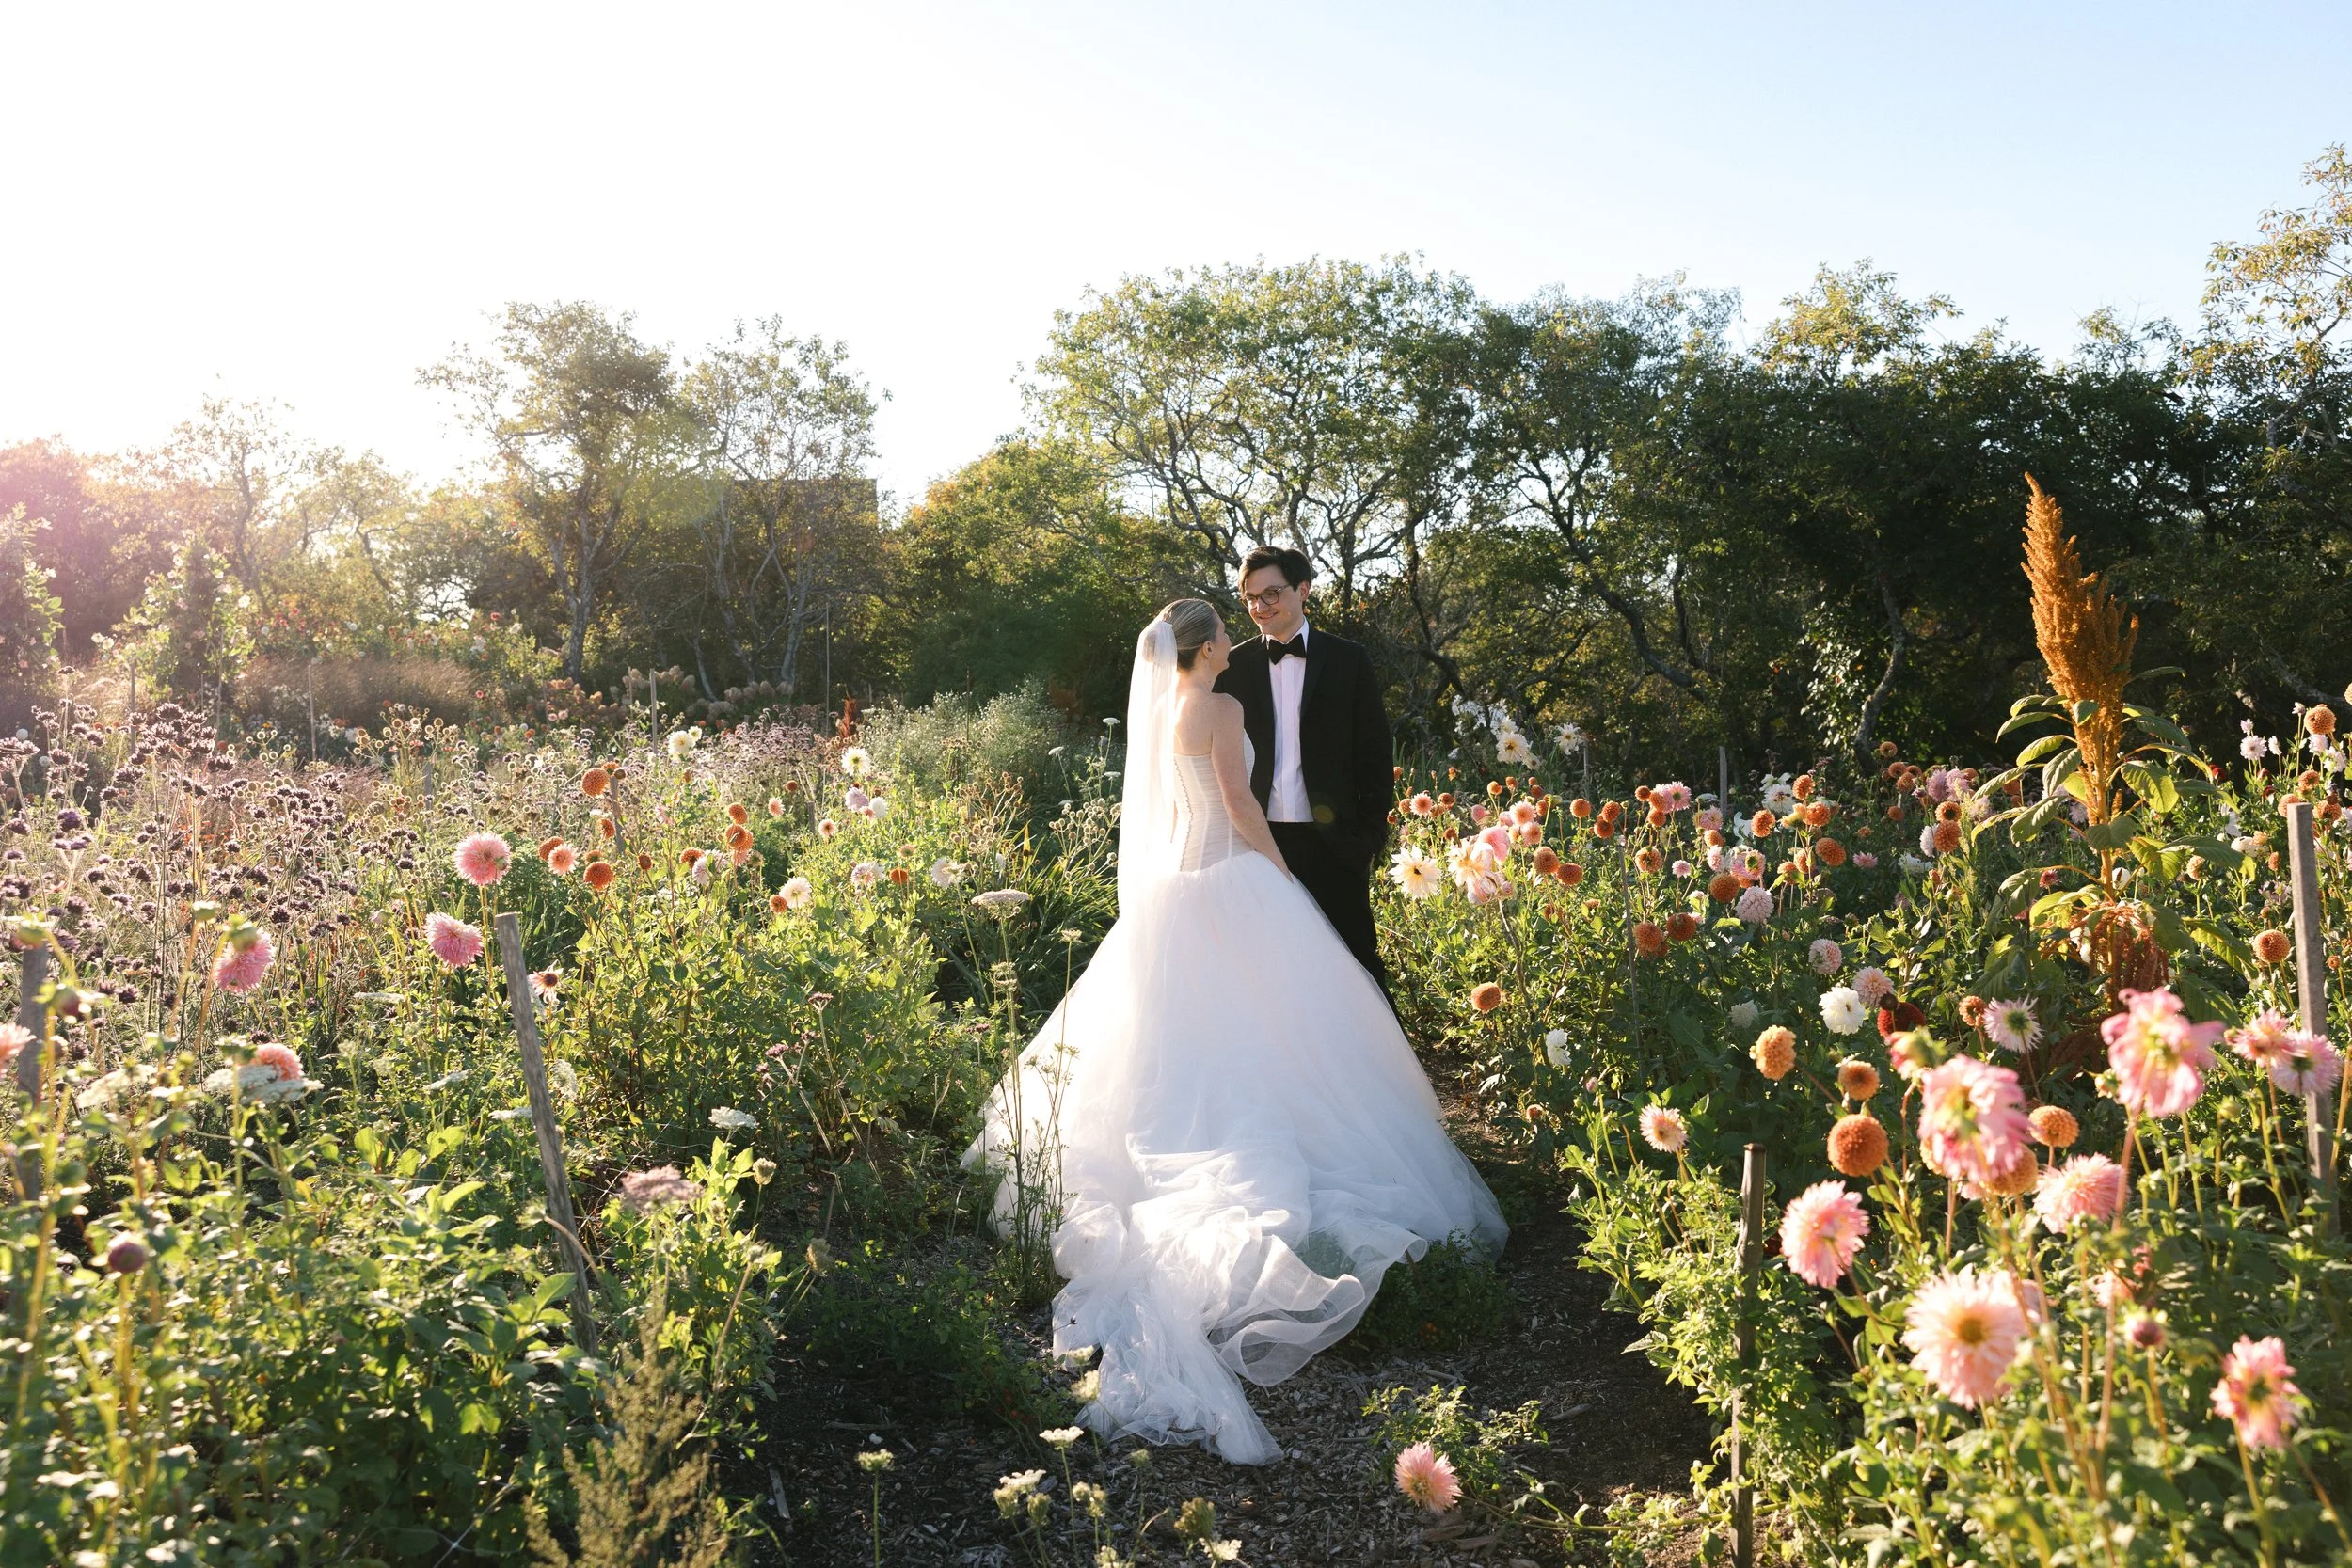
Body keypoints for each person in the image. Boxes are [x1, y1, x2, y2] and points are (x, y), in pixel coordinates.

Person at [963, 599, 1507, 1465]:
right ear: (1211, 646)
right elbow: (1236, 803)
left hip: (1173, 892)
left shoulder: (1167, 707)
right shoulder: (1219, 706)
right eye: (1226, 633)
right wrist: (1281, 869)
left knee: (1184, 1051)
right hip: (1228, 879)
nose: (1233, 644)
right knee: (1272, 1039)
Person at [1213, 546, 1393, 988]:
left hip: (1335, 842)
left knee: (1357, 965)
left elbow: (1374, 751)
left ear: (1303, 590)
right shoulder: (1232, 666)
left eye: (1271, 593)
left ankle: (1373, 1058)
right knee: (1272, 972)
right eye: (1250, 597)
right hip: (1258, 843)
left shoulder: (1349, 659)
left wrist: (1368, 837)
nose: (1260, 606)